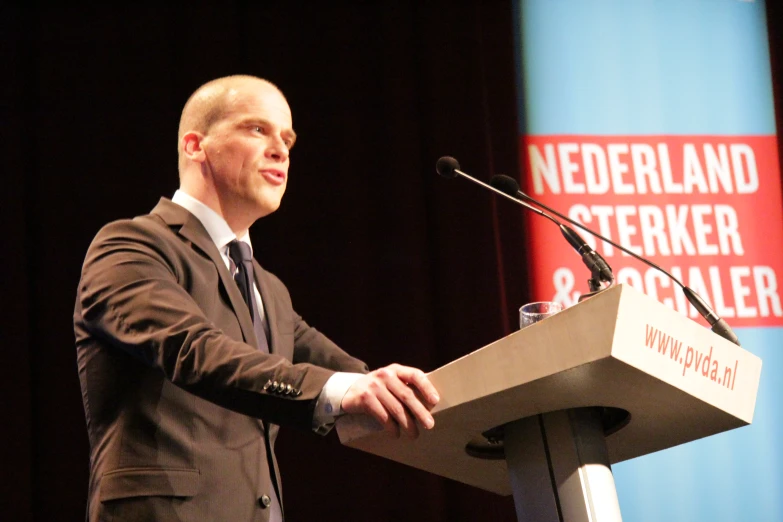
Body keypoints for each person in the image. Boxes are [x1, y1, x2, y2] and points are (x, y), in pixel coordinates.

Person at [74, 75, 439, 522]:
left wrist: (420, 398)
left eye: (287, 138)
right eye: (257, 129)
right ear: (195, 146)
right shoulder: (130, 246)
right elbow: (192, 349)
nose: (281, 150)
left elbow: (354, 375)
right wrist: (345, 389)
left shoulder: (269, 290)